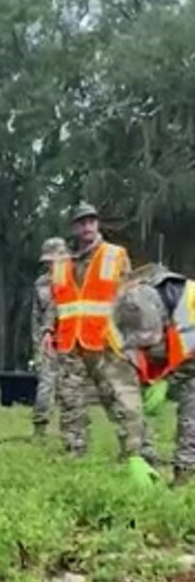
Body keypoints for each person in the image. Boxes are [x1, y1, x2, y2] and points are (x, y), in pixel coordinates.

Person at [50, 203, 159, 479]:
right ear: (74, 227)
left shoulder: (115, 255)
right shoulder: (62, 262)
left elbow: (132, 300)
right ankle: (76, 453)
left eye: (91, 221)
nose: (87, 227)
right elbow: (57, 301)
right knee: (71, 402)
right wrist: (47, 332)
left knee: (121, 400)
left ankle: (141, 453)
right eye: (81, 222)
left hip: (106, 342)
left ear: (97, 224)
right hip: (70, 343)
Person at [112, 264, 193, 487]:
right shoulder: (122, 312)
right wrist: (135, 454)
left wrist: (167, 380)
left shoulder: (190, 307)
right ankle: (145, 460)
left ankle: (184, 472)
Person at [31, 237, 70, 437]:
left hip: (72, 340)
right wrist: (38, 345)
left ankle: (70, 430)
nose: (50, 264)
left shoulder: (76, 279)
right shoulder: (42, 284)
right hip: (50, 343)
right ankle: (40, 427)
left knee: (70, 387)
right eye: (48, 261)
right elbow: (36, 317)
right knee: (47, 384)